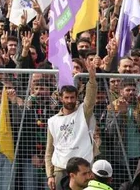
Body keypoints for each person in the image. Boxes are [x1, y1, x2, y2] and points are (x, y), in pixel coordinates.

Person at [46, 60, 98, 190]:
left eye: (72, 97)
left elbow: (90, 99)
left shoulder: (83, 112)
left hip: (82, 169)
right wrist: (50, 175)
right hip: (60, 168)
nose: (70, 100)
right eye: (67, 97)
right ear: (61, 98)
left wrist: (92, 79)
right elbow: (49, 151)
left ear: (76, 97)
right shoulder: (53, 121)